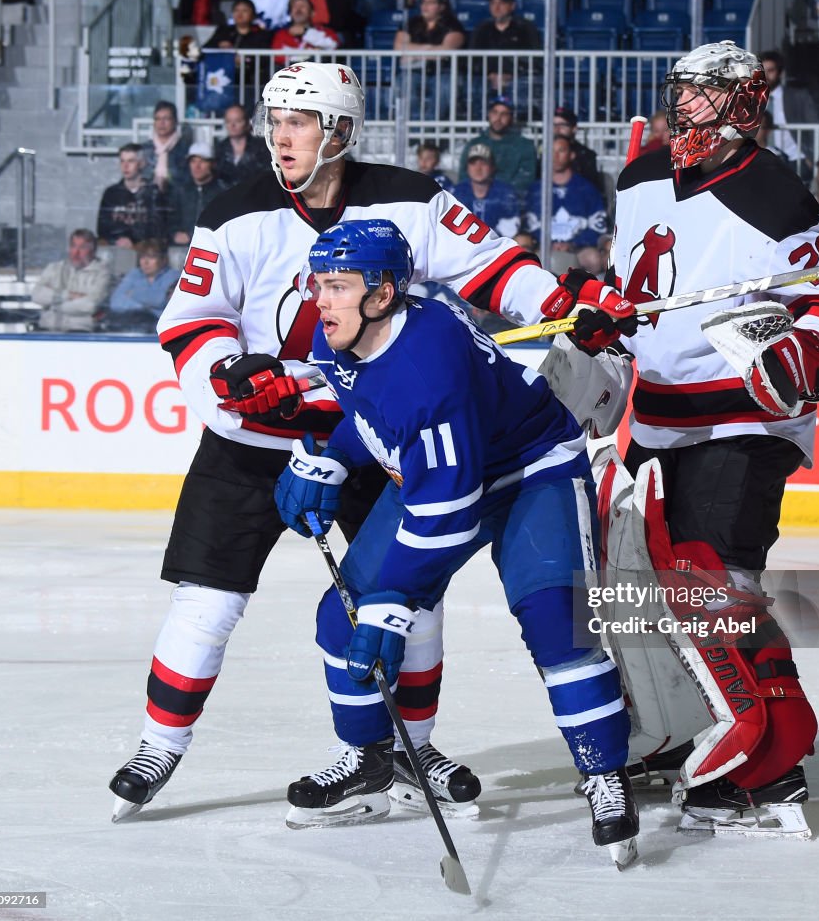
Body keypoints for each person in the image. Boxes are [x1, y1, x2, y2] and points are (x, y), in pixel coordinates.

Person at [106, 61, 625, 822]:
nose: (278, 136)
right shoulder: (234, 211)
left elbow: (494, 267)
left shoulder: (412, 200)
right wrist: (234, 376)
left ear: (340, 132)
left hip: (372, 433)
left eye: (297, 122)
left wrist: (565, 306)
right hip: (252, 437)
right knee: (208, 598)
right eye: (273, 120)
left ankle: (408, 749)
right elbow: (189, 322)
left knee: (409, 599)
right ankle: (160, 745)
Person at [273, 219, 638, 865]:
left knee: (558, 625)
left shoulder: (429, 363)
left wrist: (395, 596)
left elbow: (448, 505)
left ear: (382, 294)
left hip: (532, 470)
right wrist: (330, 458)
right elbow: (375, 413)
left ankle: (606, 773)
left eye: (338, 286)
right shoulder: (336, 336)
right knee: (342, 617)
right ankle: (368, 760)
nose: (321, 300)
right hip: (448, 471)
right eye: (319, 283)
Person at [580, 39, 819, 838]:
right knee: (631, 590)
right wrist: (603, 312)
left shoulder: (777, 196)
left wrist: (802, 353)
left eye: (703, 95)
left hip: (743, 420)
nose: (685, 108)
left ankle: (771, 769)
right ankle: (675, 732)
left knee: (716, 590)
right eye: (681, 93)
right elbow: (631, 285)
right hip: (658, 415)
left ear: (742, 103)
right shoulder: (639, 176)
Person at [525, 135, 609, 274]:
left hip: (578, 249)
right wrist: (550, 243)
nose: (555, 156)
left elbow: (598, 226)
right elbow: (529, 226)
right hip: (543, 248)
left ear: (571, 155)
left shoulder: (587, 188)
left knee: (593, 259)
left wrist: (573, 244)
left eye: (561, 150)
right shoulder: (536, 189)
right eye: (551, 151)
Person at [393, 0, 465, 121]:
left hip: (444, 71)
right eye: (423, 2)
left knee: (445, 86)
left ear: (441, 6)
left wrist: (413, 53)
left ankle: (430, 129)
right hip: (414, 70)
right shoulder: (411, 23)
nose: (425, 6)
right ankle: (413, 128)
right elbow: (399, 47)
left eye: (430, 2)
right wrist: (431, 49)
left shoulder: (453, 24)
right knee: (405, 82)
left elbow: (446, 51)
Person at [30, 229, 112, 332]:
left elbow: (89, 305)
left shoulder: (102, 273)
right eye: (73, 246)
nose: (76, 252)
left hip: (80, 333)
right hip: (46, 330)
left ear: (93, 251)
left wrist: (53, 305)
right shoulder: (54, 268)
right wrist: (69, 295)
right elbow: (36, 295)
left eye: (82, 247)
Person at [468, 0, 540, 97]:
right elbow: (473, 59)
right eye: (493, 3)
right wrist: (490, 75)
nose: (496, 8)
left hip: (519, 77)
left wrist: (510, 75)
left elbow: (535, 58)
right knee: (474, 87)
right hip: (487, 78)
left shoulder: (526, 28)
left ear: (512, 6)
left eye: (501, 3)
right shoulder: (482, 28)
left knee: (523, 86)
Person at [458, 95, 537, 194]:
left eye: (504, 114)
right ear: (489, 115)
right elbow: (464, 177)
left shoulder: (525, 146)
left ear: (511, 118)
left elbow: (525, 180)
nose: (498, 118)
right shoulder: (474, 144)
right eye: (495, 113)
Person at [97, 143, 171, 248]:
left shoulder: (153, 193)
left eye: (131, 161)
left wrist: (135, 244)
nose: (125, 166)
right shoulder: (111, 193)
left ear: (141, 163)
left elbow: (160, 231)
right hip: (117, 250)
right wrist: (117, 240)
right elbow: (102, 230)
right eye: (122, 161)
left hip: (147, 253)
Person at [758, 49, 818, 174]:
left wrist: (811, 157)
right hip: (764, 159)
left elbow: (814, 127)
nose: (766, 76)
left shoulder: (798, 96)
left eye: (771, 71)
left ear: (780, 73)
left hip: (795, 158)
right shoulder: (752, 100)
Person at [102, 239, 179, 332]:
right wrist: (144, 308)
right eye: (142, 257)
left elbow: (159, 300)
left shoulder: (174, 276)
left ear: (163, 259)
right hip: (132, 322)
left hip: (159, 328)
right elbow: (116, 302)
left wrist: (133, 294)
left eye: (151, 257)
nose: (145, 262)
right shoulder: (134, 274)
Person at [452, 143, 521, 238]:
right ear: (467, 168)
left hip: (498, 247)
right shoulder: (457, 192)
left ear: (492, 167)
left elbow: (510, 231)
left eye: (484, 163)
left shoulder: (506, 193)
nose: (478, 168)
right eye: (473, 163)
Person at [170, 142, 229, 245]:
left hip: (212, 248)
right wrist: (174, 234)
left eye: (202, 161)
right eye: (193, 161)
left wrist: (191, 235)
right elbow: (171, 220)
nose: (197, 166)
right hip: (183, 249)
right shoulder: (181, 191)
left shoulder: (222, 192)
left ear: (212, 164)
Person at [271, 0, 340, 64]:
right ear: (290, 13)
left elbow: (333, 45)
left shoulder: (325, 31)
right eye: (294, 6)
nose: (298, 9)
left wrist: (306, 32)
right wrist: (309, 54)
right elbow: (278, 57)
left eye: (303, 6)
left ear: (312, 13)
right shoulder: (281, 34)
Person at [141, 101, 192, 194]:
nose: (161, 123)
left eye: (166, 119)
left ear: (175, 121)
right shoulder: (144, 149)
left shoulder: (186, 150)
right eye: (158, 119)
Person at [213, 103, 269, 186]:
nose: (232, 125)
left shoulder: (261, 147)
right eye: (228, 121)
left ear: (247, 123)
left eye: (238, 121)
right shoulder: (219, 149)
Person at [553, 106, 604, 195]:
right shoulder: (545, 151)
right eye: (554, 125)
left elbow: (590, 190)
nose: (557, 129)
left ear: (574, 128)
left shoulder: (586, 155)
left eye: (562, 125)